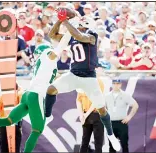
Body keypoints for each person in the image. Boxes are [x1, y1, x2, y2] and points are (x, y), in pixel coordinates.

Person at [0, 31, 72, 153]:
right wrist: (70, 31)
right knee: (37, 130)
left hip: (28, 95)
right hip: (36, 95)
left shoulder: (41, 62)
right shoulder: (47, 55)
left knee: (8, 120)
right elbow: (61, 46)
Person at [45, 8, 120, 151]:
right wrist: (59, 21)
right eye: (79, 24)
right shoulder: (71, 35)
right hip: (73, 74)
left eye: (82, 24)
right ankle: (47, 116)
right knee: (51, 89)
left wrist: (66, 21)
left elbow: (80, 36)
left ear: (88, 26)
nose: (79, 26)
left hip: (89, 78)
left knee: (102, 110)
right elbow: (52, 34)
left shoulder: (92, 35)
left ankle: (110, 135)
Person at [105, 79, 139, 153]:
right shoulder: (107, 96)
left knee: (124, 144)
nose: (116, 85)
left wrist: (129, 117)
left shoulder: (125, 95)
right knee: (112, 145)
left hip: (122, 123)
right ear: (112, 84)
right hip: (110, 124)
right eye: (114, 83)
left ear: (120, 85)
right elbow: (102, 108)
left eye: (117, 83)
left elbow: (135, 105)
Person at [76, 78, 104, 153]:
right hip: (86, 114)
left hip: (97, 113)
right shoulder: (81, 82)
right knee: (84, 141)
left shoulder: (98, 82)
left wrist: (85, 114)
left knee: (98, 142)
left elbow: (97, 100)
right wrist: (81, 114)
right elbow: (78, 100)